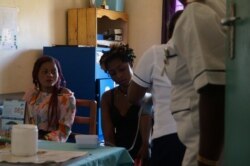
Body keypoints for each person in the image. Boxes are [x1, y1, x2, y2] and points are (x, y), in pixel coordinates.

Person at [172, 0, 226, 165]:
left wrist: (205, 161)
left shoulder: (197, 13)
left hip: (203, 146)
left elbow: (214, 90)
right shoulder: (222, 7)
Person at [128, 11, 185, 166]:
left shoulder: (156, 53)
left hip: (168, 135)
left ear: (170, 32)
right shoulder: (209, 55)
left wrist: (152, 93)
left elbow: (133, 96)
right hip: (203, 136)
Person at [99, 44, 152, 164]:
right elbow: (108, 135)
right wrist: (115, 157)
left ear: (131, 64)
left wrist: (146, 145)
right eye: (112, 73)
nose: (119, 76)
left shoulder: (148, 91)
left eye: (122, 69)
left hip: (146, 149)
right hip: (119, 153)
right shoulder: (107, 98)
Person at [23, 56, 76, 142]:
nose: (50, 75)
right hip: (30, 139)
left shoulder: (65, 96)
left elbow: (64, 131)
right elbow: (21, 119)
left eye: (53, 72)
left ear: (58, 75)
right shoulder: (31, 94)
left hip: (51, 143)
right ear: (36, 75)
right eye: (45, 72)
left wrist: (42, 140)